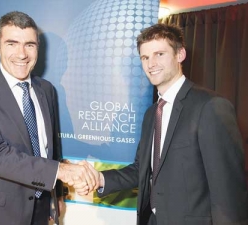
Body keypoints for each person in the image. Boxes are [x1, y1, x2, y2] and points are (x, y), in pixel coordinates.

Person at [76, 23, 248, 225]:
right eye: (145, 57)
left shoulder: (210, 106)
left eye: (159, 54)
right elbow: (142, 169)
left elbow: (228, 191)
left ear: (180, 54)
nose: (151, 64)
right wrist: (100, 178)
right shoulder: (152, 113)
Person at [0, 11, 98, 225]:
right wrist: (60, 171)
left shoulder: (47, 89)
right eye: (12, 43)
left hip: (42, 209)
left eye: (29, 45)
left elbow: (53, 148)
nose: (22, 54)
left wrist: (58, 196)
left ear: (38, 48)